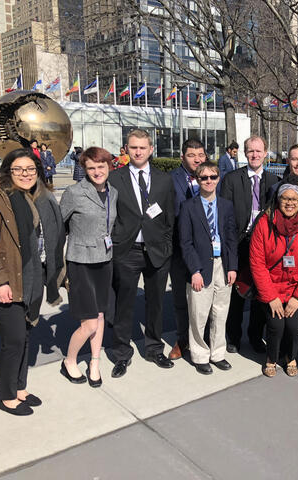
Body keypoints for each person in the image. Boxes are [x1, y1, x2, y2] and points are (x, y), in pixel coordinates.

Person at [0, 148, 65, 415]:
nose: (25, 174)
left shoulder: (32, 198)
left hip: (29, 280)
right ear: (7, 171)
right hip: (5, 282)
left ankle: (20, 388)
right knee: (13, 340)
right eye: (19, 169)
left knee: (24, 337)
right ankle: (7, 396)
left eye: (31, 169)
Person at [108, 129, 176, 378]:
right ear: (126, 149)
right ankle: (122, 354)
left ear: (150, 149)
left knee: (156, 304)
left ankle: (154, 348)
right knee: (123, 307)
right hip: (127, 251)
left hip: (157, 251)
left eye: (142, 147)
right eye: (133, 147)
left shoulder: (164, 180)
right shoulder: (115, 179)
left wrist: (167, 247)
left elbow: (169, 217)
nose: (138, 152)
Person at [249, 176, 298, 377]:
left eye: (294, 199)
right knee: (276, 325)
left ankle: (291, 356)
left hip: (297, 288)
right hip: (271, 287)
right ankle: (272, 357)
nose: (290, 203)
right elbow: (257, 263)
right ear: (278, 199)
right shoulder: (264, 223)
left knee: (295, 327)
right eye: (285, 198)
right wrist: (271, 297)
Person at [59, 147, 117, 387]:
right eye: (91, 168)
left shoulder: (113, 192)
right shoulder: (74, 192)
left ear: (109, 167)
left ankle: (95, 361)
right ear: (84, 169)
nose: (96, 171)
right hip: (81, 261)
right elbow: (58, 225)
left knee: (101, 316)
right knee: (89, 322)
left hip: (105, 260)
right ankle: (70, 360)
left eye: (101, 166)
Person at [220, 135, 279, 353]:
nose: (254, 155)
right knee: (236, 293)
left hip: (263, 247)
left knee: (260, 295)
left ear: (265, 153)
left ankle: (255, 336)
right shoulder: (232, 179)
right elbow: (225, 215)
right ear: (245, 153)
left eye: (258, 151)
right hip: (238, 244)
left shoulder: (274, 182)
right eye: (250, 151)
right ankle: (233, 336)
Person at [179, 161, 238, 374]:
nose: (209, 181)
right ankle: (200, 355)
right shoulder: (188, 207)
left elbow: (231, 238)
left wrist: (233, 266)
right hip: (200, 267)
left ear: (218, 178)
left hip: (223, 265)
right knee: (199, 313)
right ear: (197, 180)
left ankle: (217, 353)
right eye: (204, 178)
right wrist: (194, 270)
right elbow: (185, 243)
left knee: (221, 313)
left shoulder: (226, 205)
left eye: (213, 177)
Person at [168, 138, 206, 360]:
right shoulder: (171, 180)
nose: (197, 159)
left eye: (200, 155)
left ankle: (202, 338)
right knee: (181, 300)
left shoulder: (212, 177)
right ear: (182, 157)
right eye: (192, 155)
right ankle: (182, 340)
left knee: (204, 299)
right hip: (180, 248)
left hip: (206, 249)